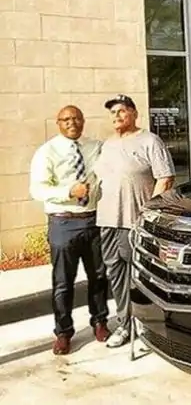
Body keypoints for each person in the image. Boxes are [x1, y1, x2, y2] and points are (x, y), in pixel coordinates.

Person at [94, 94, 176, 348]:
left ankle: (148, 325)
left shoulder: (150, 140)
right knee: (116, 274)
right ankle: (125, 324)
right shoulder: (107, 145)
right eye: (113, 112)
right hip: (108, 220)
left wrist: (147, 214)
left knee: (140, 276)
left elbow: (165, 178)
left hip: (134, 221)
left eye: (122, 111)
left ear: (134, 113)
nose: (117, 116)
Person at [29, 105, 110, 355]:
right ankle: (63, 332)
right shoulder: (47, 152)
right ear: (58, 123)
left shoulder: (96, 147)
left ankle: (100, 321)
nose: (72, 123)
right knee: (63, 282)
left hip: (93, 220)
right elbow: (37, 189)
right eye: (66, 119)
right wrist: (68, 192)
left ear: (83, 121)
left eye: (76, 118)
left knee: (98, 276)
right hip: (63, 223)